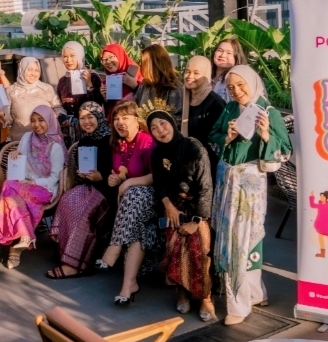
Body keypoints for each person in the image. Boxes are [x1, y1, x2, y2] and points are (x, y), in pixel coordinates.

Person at [210, 65, 291, 325]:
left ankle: (238, 305)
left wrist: (266, 134)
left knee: (242, 239)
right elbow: (213, 136)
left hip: (249, 183)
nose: (236, 91)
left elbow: (284, 150)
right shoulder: (230, 108)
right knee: (239, 237)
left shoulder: (269, 112)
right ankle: (256, 294)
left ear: (252, 82)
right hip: (227, 179)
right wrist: (227, 136)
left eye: (240, 85)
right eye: (231, 87)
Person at [148, 109, 215, 322]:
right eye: (154, 128)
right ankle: (183, 292)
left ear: (172, 123)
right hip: (174, 206)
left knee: (198, 247)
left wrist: (196, 220)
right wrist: (168, 205)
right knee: (174, 245)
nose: (160, 130)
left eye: (163, 123)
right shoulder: (157, 153)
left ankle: (205, 296)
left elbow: (205, 186)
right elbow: (159, 184)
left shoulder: (193, 147)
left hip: (197, 208)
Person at [96, 101, 158, 306]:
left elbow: (156, 176)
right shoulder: (119, 143)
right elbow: (120, 173)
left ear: (137, 120)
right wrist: (115, 179)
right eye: (116, 118)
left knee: (134, 193)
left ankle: (114, 247)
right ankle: (128, 286)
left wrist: (129, 183)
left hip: (152, 196)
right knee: (139, 230)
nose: (119, 122)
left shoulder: (147, 141)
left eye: (125, 118)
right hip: (131, 206)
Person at [0, 105, 66, 269]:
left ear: (50, 121)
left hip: (44, 188)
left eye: (41, 120)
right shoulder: (27, 138)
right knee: (11, 196)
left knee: (8, 190)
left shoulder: (56, 147)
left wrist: (35, 183)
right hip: (22, 184)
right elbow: (20, 163)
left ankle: (16, 246)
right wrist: (16, 155)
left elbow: (54, 178)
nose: (36, 124)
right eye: (33, 121)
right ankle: (24, 237)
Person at [47, 102, 114, 279]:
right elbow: (81, 168)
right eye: (82, 118)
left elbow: (118, 169)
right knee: (66, 201)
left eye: (90, 117)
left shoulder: (111, 140)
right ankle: (65, 253)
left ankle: (75, 264)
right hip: (88, 186)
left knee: (82, 213)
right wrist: (82, 174)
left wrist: (102, 176)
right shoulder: (84, 140)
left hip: (107, 190)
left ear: (99, 117)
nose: (86, 121)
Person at [183, 56, 226, 180]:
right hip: (188, 161)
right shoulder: (184, 97)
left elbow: (217, 139)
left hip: (209, 165)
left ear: (206, 75)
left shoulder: (215, 103)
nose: (189, 76)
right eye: (187, 71)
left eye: (196, 73)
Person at [5, 57, 65, 142]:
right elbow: (7, 119)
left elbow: (57, 107)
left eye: (36, 70)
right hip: (20, 141)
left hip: (46, 140)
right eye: (30, 70)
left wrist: (56, 119)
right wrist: (2, 116)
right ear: (22, 69)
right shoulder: (11, 91)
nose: (33, 74)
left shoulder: (47, 88)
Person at [56, 41, 104, 144]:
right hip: (69, 131)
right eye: (65, 56)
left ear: (80, 55)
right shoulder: (62, 81)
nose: (68, 60)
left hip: (90, 129)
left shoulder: (92, 76)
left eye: (72, 56)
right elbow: (59, 104)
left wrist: (89, 84)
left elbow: (98, 104)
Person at [132, 44, 182, 119]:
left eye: (144, 63)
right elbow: (136, 107)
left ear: (155, 64)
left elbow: (177, 118)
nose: (141, 66)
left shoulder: (174, 89)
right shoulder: (145, 84)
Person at [99, 43, 142, 115]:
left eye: (111, 57)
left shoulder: (136, 73)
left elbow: (147, 101)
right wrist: (105, 98)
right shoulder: (106, 82)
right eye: (104, 59)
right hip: (116, 119)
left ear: (120, 56)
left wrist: (135, 86)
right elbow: (108, 110)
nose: (108, 62)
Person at [211, 38, 247, 102]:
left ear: (236, 57)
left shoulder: (241, 81)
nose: (222, 55)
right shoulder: (205, 77)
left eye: (229, 53)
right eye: (220, 50)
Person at [309, 186, 328, 259]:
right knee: (320, 236)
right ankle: (322, 252)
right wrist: (312, 196)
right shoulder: (319, 205)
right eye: (320, 196)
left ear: (326, 197)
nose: (321, 198)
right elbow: (312, 205)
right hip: (321, 223)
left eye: (322, 196)